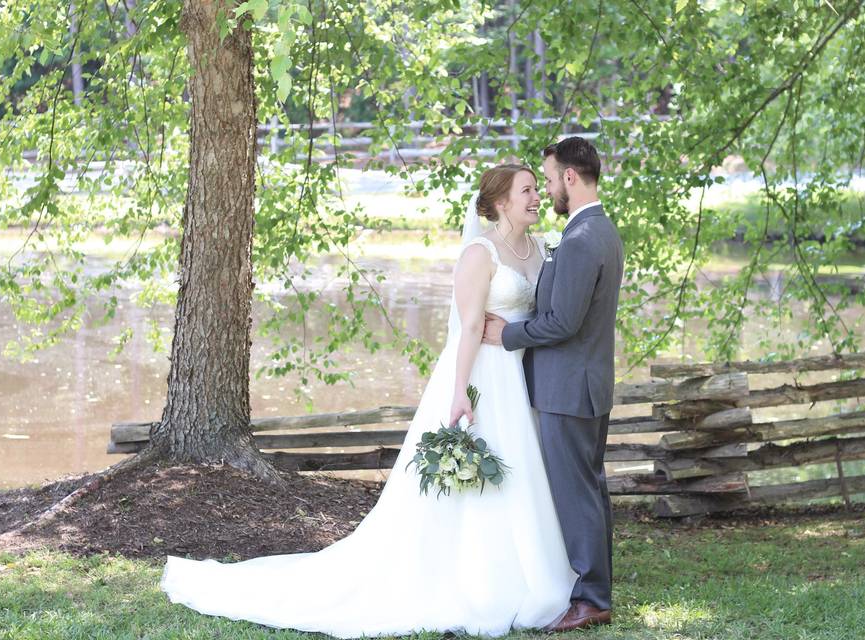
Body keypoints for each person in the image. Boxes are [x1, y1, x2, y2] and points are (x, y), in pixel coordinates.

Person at [161, 164, 578, 637]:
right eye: (527, 190)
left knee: (519, 470)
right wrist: (460, 391)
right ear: (502, 201)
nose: (536, 197)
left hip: (520, 377)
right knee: (480, 477)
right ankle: (476, 580)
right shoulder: (479, 253)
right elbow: (466, 329)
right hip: (483, 376)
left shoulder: (540, 247)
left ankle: (528, 571)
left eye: (534, 189)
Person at [483, 137, 624, 631]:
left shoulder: (584, 239)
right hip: (585, 383)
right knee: (590, 487)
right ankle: (593, 588)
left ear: (569, 176)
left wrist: (508, 335)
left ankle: (591, 598)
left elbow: (562, 322)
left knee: (576, 492)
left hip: (570, 387)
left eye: (546, 179)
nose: (546, 189)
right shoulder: (598, 230)